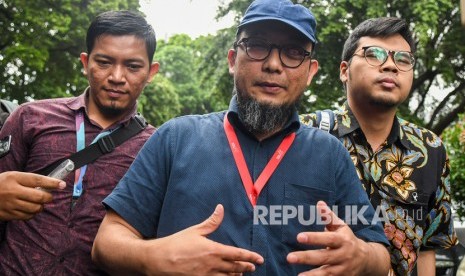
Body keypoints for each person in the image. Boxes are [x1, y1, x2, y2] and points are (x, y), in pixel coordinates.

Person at [92, 1, 391, 275]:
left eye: (293, 53)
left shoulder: (330, 154)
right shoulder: (175, 138)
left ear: (310, 71)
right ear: (233, 59)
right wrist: (152, 256)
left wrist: (361, 256)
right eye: (258, 46)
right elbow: (106, 242)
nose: (274, 64)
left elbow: (380, 256)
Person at [0, 10, 158, 275]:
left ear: (151, 71)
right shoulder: (31, 118)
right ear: (85, 62)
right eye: (104, 62)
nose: (117, 77)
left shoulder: (156, 147)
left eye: (133, 66)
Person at [301, 17, 457, 275]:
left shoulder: (430, 149)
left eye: (403, 59)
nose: (390, 66)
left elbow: (429, 245)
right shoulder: (305, 133)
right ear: (344, 70)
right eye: (374, 54)